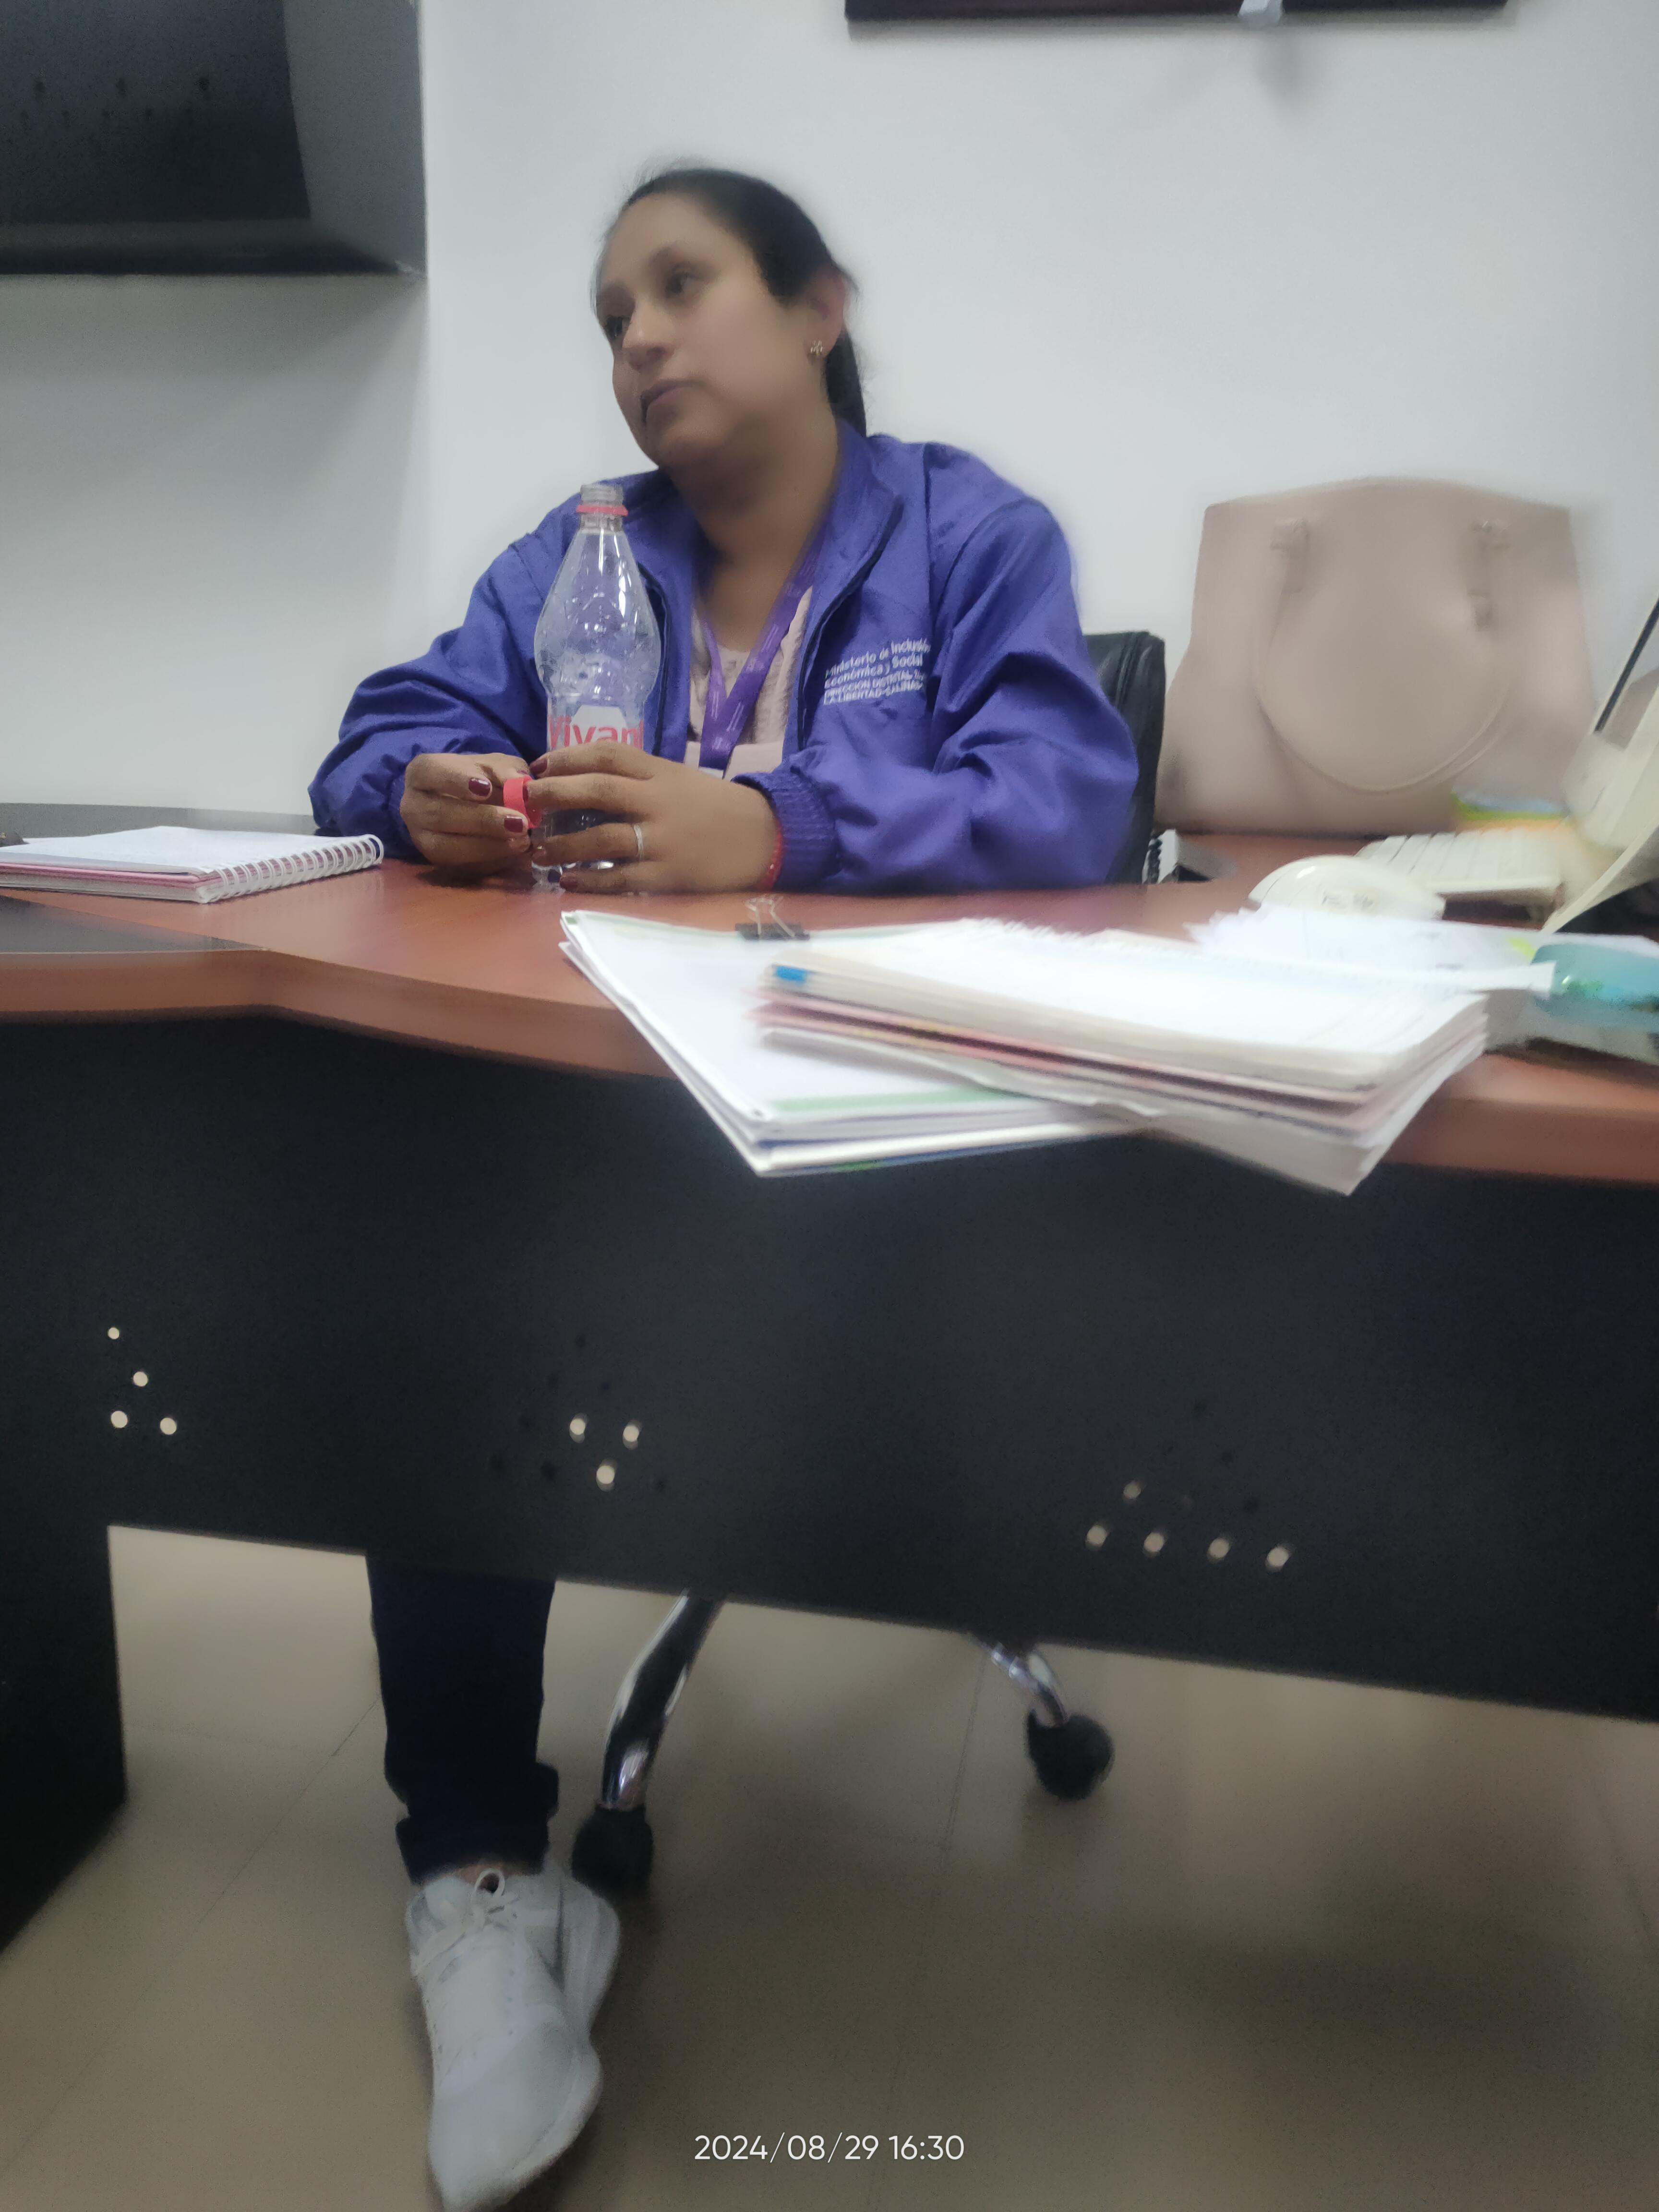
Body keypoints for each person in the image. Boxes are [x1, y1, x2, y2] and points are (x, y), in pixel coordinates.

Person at [310, 165, 1136, 2212]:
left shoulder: (968, 535)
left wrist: (774, 825)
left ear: (820, 306)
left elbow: (1070, 794)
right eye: (613, 314)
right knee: (437, 1295)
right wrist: (419, 791)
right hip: (590, 1134)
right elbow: (386, 729)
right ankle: (476, 1874)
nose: (641, 338)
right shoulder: (581, 554)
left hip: (886, 1156)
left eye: (682, 284)